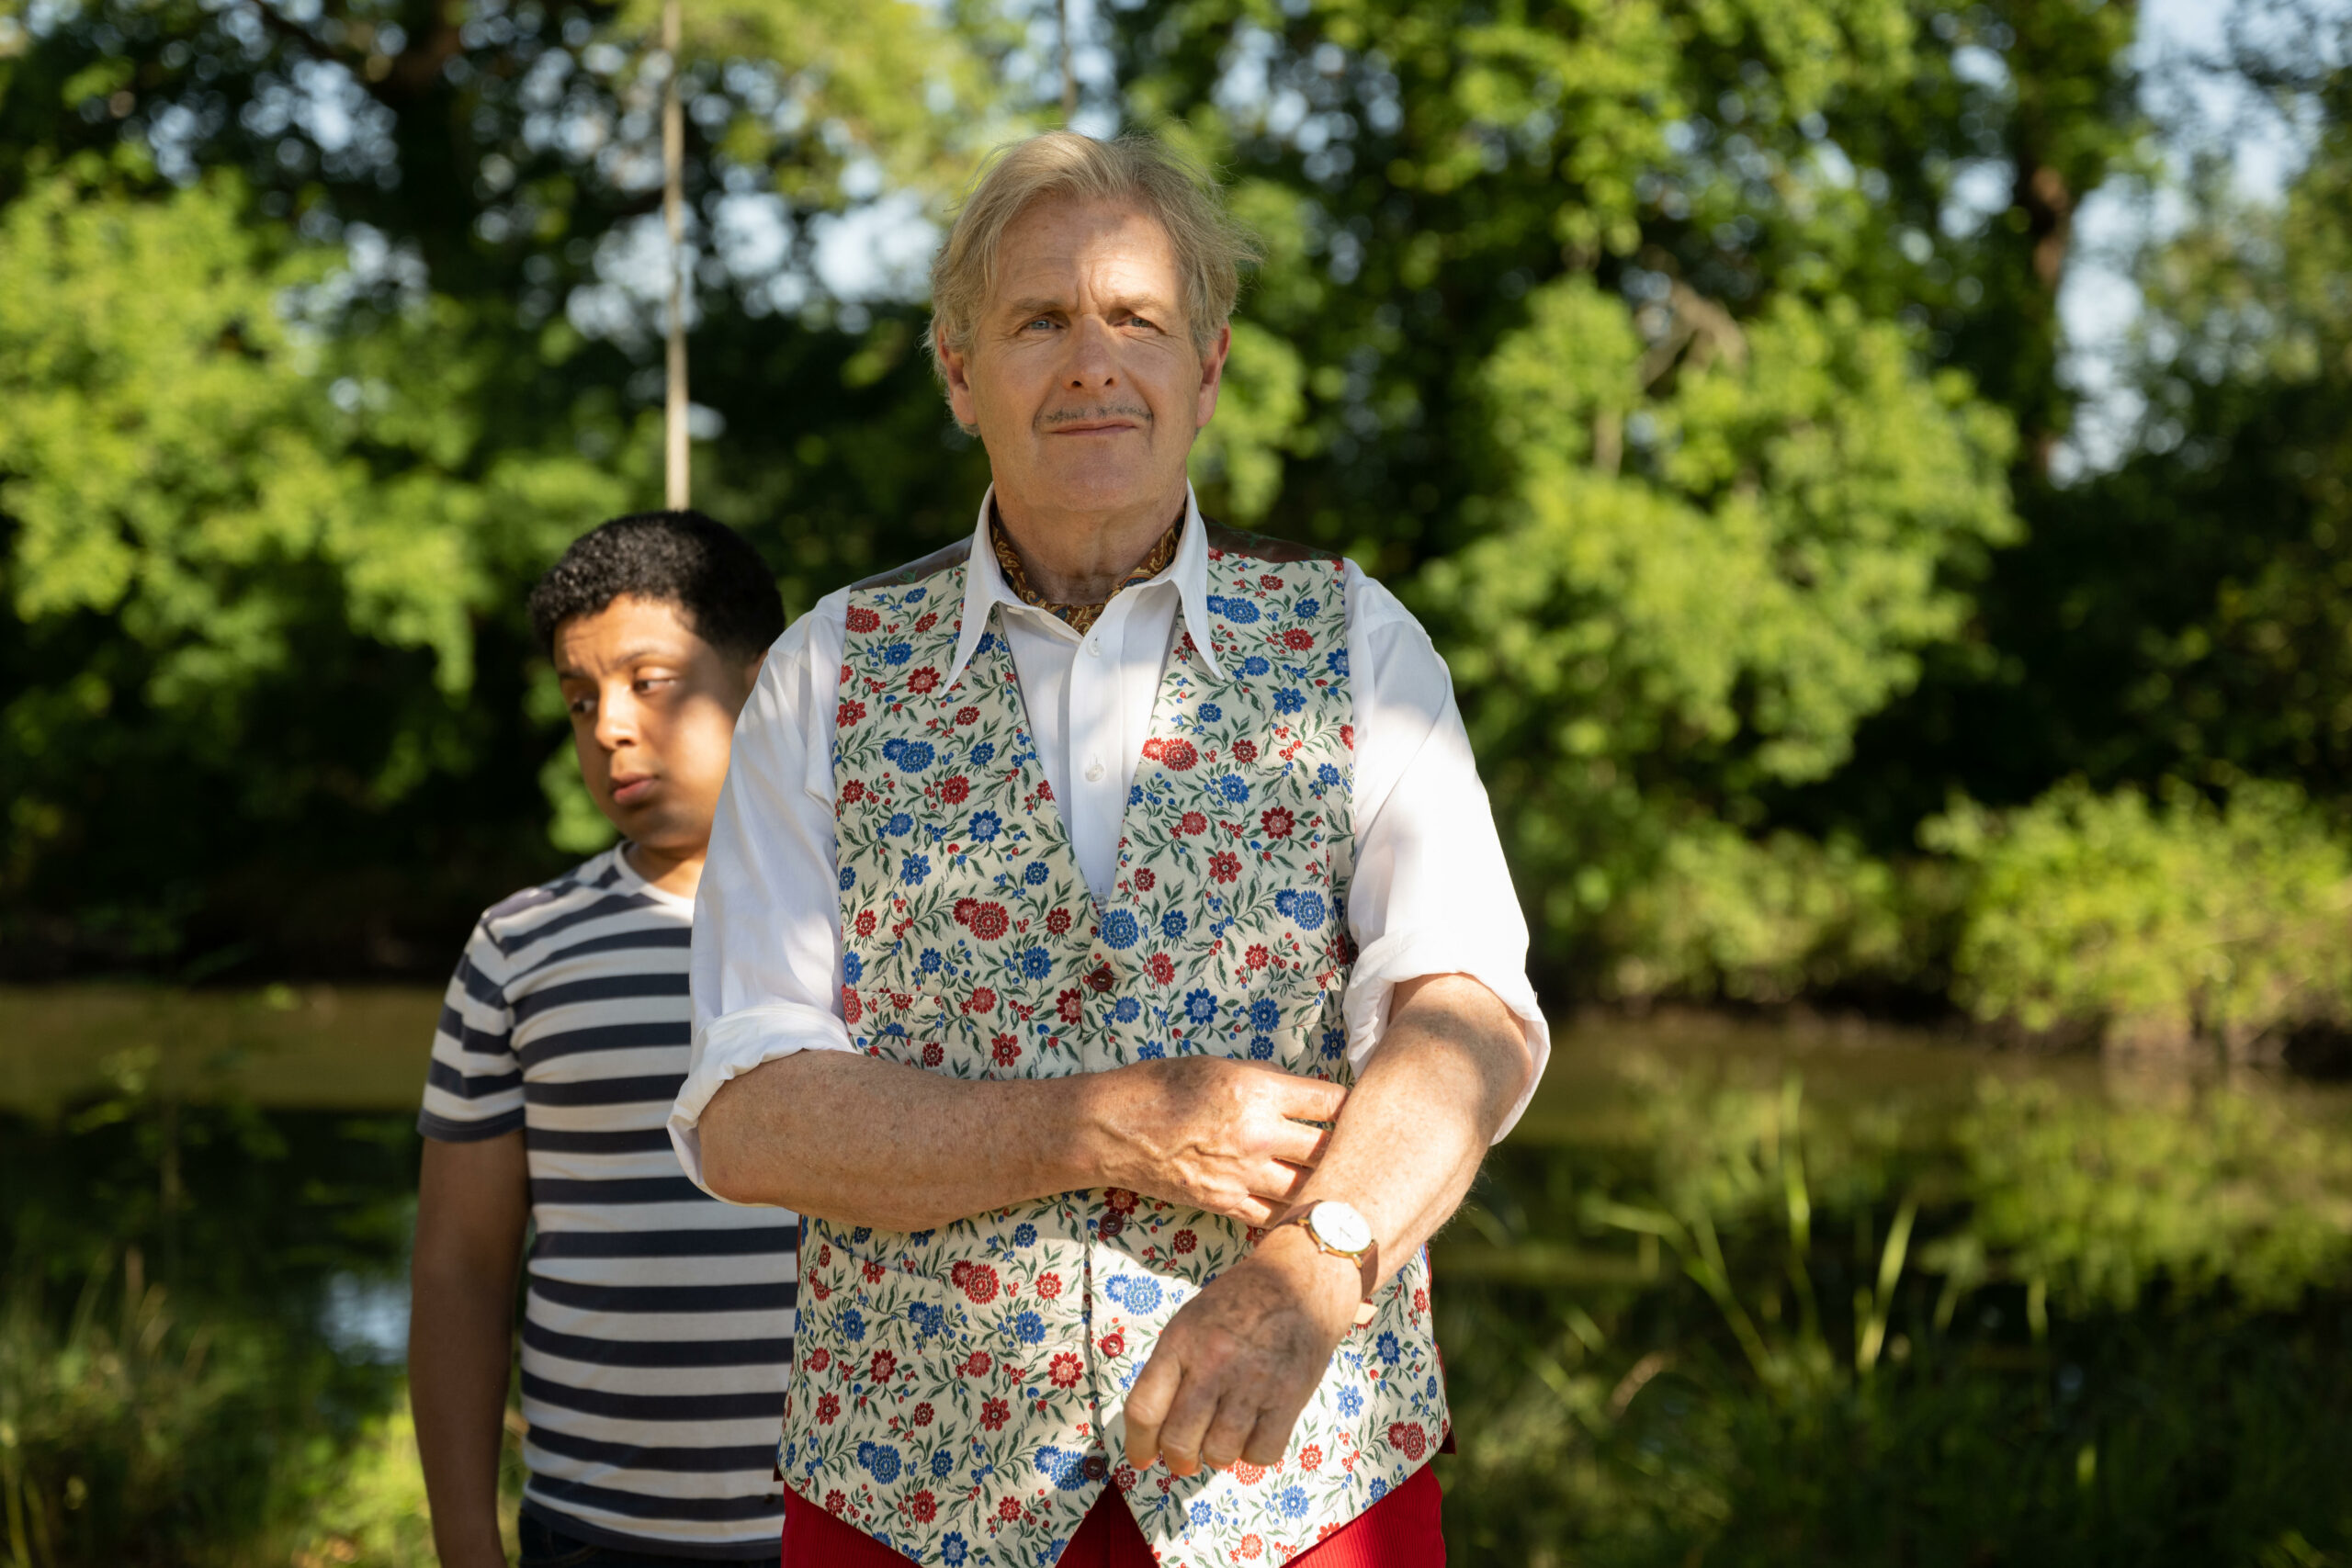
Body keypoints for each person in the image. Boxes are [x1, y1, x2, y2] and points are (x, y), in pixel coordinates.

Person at [670, 132, 1548, 1568]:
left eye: (1137, 318)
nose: (1092, 361)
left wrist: (1311, 1268)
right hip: (914, 1494)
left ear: (1204, 370)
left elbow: (1471, 1016)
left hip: (1301, 1493)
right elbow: (752, 1105)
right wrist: (1100, 1120)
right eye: (1038, 321)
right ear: (959, 374)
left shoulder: (1358, 644)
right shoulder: (826, 671)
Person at [411, 512, 797, 1565]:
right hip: (594, 1533)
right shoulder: (520, 946)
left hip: (851, 1531)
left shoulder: (883, 927)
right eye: (581, 701)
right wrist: (463, 1542)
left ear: (763, 683)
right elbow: (459, 1269)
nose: (611, 728)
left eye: (650, 680)